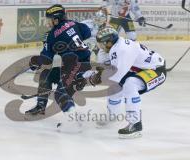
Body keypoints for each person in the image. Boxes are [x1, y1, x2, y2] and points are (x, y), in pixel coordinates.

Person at [87, 26, 166, 138]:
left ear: (109, 42)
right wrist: (97, 74)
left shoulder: (123, 49)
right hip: (138, 69)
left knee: (130, 84)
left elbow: (117, 75)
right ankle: (112, 115)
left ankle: (135, 124)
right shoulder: (109, 47)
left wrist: (94, 79)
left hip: (156, 69)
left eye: (102, 44)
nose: (100, 46)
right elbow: (103, 66)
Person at [25, 4, 92, 132]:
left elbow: (46, 59)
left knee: (61, 93)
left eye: (49, 19)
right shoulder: (73, 23)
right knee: (46, 75)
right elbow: (87, 32)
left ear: (56, 19)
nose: (47, 22)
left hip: (75, 67)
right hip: (84, 64)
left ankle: (73, 122)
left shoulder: (51, 36)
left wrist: (34, 63)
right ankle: (41, 105)